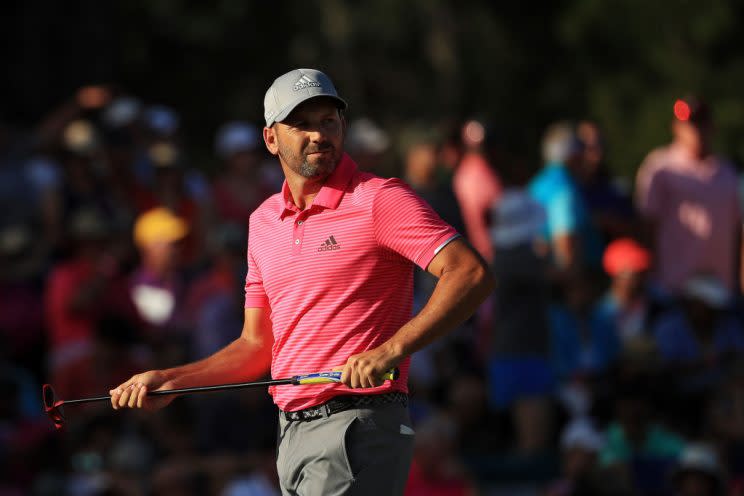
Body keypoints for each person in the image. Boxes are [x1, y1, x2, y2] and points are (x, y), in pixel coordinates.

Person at [110, 68, 494, 495]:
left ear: (343, 127)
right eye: (301, 124)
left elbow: (470, 273)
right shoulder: (262, 223)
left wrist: (391, 350)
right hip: (291, 434)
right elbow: (256, 347)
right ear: (271, 138)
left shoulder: (379, 198)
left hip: (357, 424)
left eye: (328, 121)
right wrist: (172, 381)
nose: (317, 134)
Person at [635, 97, 742, 296]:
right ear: (676, 128)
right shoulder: (660, 168)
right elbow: (647, 226)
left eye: (701, 123)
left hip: (720, 289)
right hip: (673, 286)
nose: (696, 131)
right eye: (689, 124)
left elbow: (738, 231)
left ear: (712, 127)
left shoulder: (727, 172)